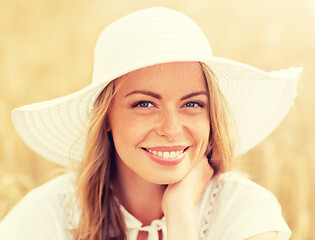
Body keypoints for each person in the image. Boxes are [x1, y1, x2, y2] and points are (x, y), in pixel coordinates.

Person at [0, 7, 302, 240]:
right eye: (144, 104)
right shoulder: (46, 216)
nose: (171, 128)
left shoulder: (247, 213)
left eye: (192, 104)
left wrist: (181, 214)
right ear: (105, 118)